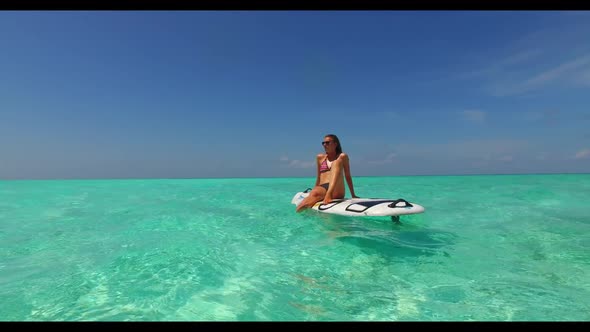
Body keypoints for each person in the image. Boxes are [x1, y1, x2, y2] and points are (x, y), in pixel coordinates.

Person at [295, 134, 358, 212]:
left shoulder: (342, 157)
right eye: (323, 143)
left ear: (335, 144)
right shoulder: (320, 158)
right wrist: (314, 190)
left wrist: (353, 194)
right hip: (322, 187)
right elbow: (319, 177)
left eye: (327, 143)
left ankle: (329, 194)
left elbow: (347, 176)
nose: (324, 145)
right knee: (304, 203)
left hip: (337, 189)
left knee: (336, 162)